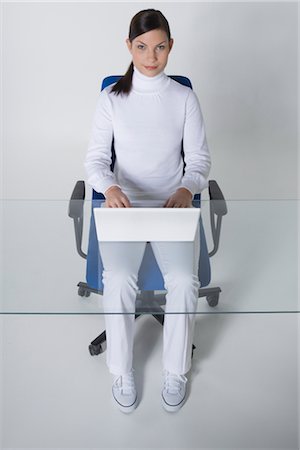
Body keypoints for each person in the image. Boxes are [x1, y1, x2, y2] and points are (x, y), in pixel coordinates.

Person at [85, 8, 211, 413]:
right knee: (119, 278)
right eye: (141, 47)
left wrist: (186, 189)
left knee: (184, 281)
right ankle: (121, 371)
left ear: (170, 47)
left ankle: (176, 371)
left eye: (159, 47)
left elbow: (199, 162)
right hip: (124, 208)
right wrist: (110, 186)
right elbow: (94, 162)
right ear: (129, 46)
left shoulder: (184, 97)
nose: (151, 56)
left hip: (171, 208)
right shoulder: (112, 99)